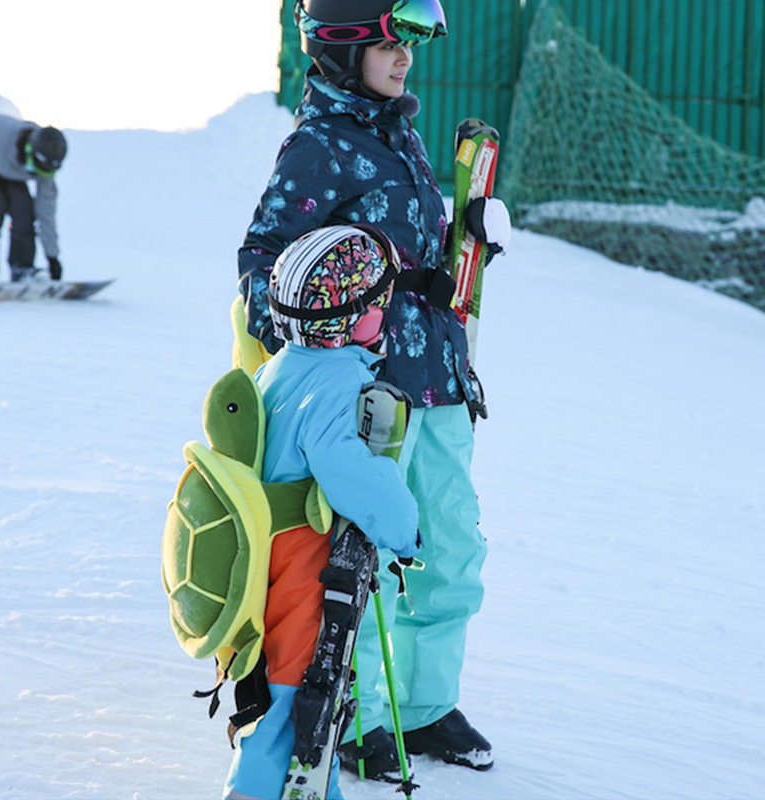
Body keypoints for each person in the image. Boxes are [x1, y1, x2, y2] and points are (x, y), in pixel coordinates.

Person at [237, 0, 511, 784]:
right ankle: (363, 719)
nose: (405, 60)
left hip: (442, 378)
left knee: (451, 549)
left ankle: (425, 707)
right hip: (374, 386)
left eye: (409, 46)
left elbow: (419, 258)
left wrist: (470, 235)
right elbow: (264, 262)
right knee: (375, 557)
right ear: (343, 45)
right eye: (390, 44)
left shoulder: (402, 132)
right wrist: (319, 337)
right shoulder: (318, 147)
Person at [223, 224, 419, 799]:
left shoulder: (278, 365)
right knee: (299, 685)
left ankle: (313, 787)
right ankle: (254, 790)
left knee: (304, 682)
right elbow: (355, 477)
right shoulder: (336, 382)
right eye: (379, 303)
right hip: (305, 558)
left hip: (263, 549)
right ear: (355, 315)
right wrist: (404, 531)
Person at [0, 114, 67, 282]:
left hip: (12, 171)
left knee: (24, 211)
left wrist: (52, 257)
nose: (39, 176)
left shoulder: (45, 162)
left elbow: (46, 214)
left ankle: (22, 268)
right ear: (29, 154)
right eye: (37, 170)